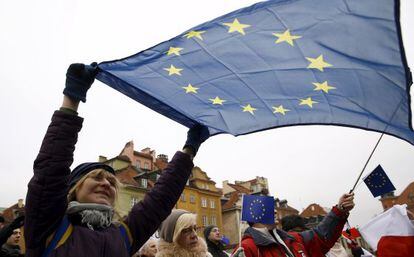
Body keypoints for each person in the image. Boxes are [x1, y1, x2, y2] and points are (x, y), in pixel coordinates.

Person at [24, 63, 210, 257]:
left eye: (112, 182)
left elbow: (160, 200)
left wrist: (190, 149)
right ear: (74, 188)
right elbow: (51, 167)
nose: (106, 184)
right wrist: (71, 99)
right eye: (97, 178)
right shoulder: (49, 225)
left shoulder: (122, 235)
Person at [233, 193, 355, 257]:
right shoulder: (246, 248)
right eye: (269, 208)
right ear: (256, 215)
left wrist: (340, 210)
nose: (275, 211)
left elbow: (321, 235)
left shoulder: (293, 238)